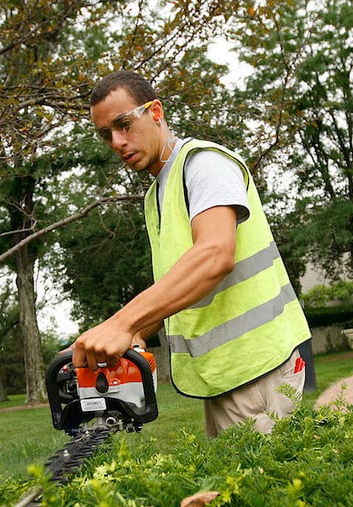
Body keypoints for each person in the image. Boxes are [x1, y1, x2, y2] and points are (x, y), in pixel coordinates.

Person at [73, 70, 311, 436]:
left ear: (155, 112)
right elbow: (181, 286)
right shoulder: (158, 194)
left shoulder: (204, 165)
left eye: (124, 124)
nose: (117, 142)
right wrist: (125, 336)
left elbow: (216, 255)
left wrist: (122, 324)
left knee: (266, 489)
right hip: (224, 376)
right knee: (233, 490)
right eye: (106, 134)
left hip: (258, 368)